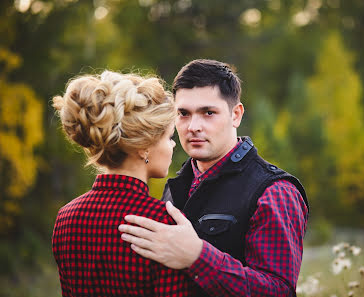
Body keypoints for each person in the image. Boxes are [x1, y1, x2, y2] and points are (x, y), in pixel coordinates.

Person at [119, 59, 310, 297]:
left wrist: (198, 256)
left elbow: (278, 292)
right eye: (184, 114)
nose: (193, 127)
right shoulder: (174, 187)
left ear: (236, 115)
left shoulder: (274, 191)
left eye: (208, 113)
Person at [51, 71, 199, 296]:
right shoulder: (162, 223)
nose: (173, 146)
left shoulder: (66, 218)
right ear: (144, 147)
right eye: (169, 137)